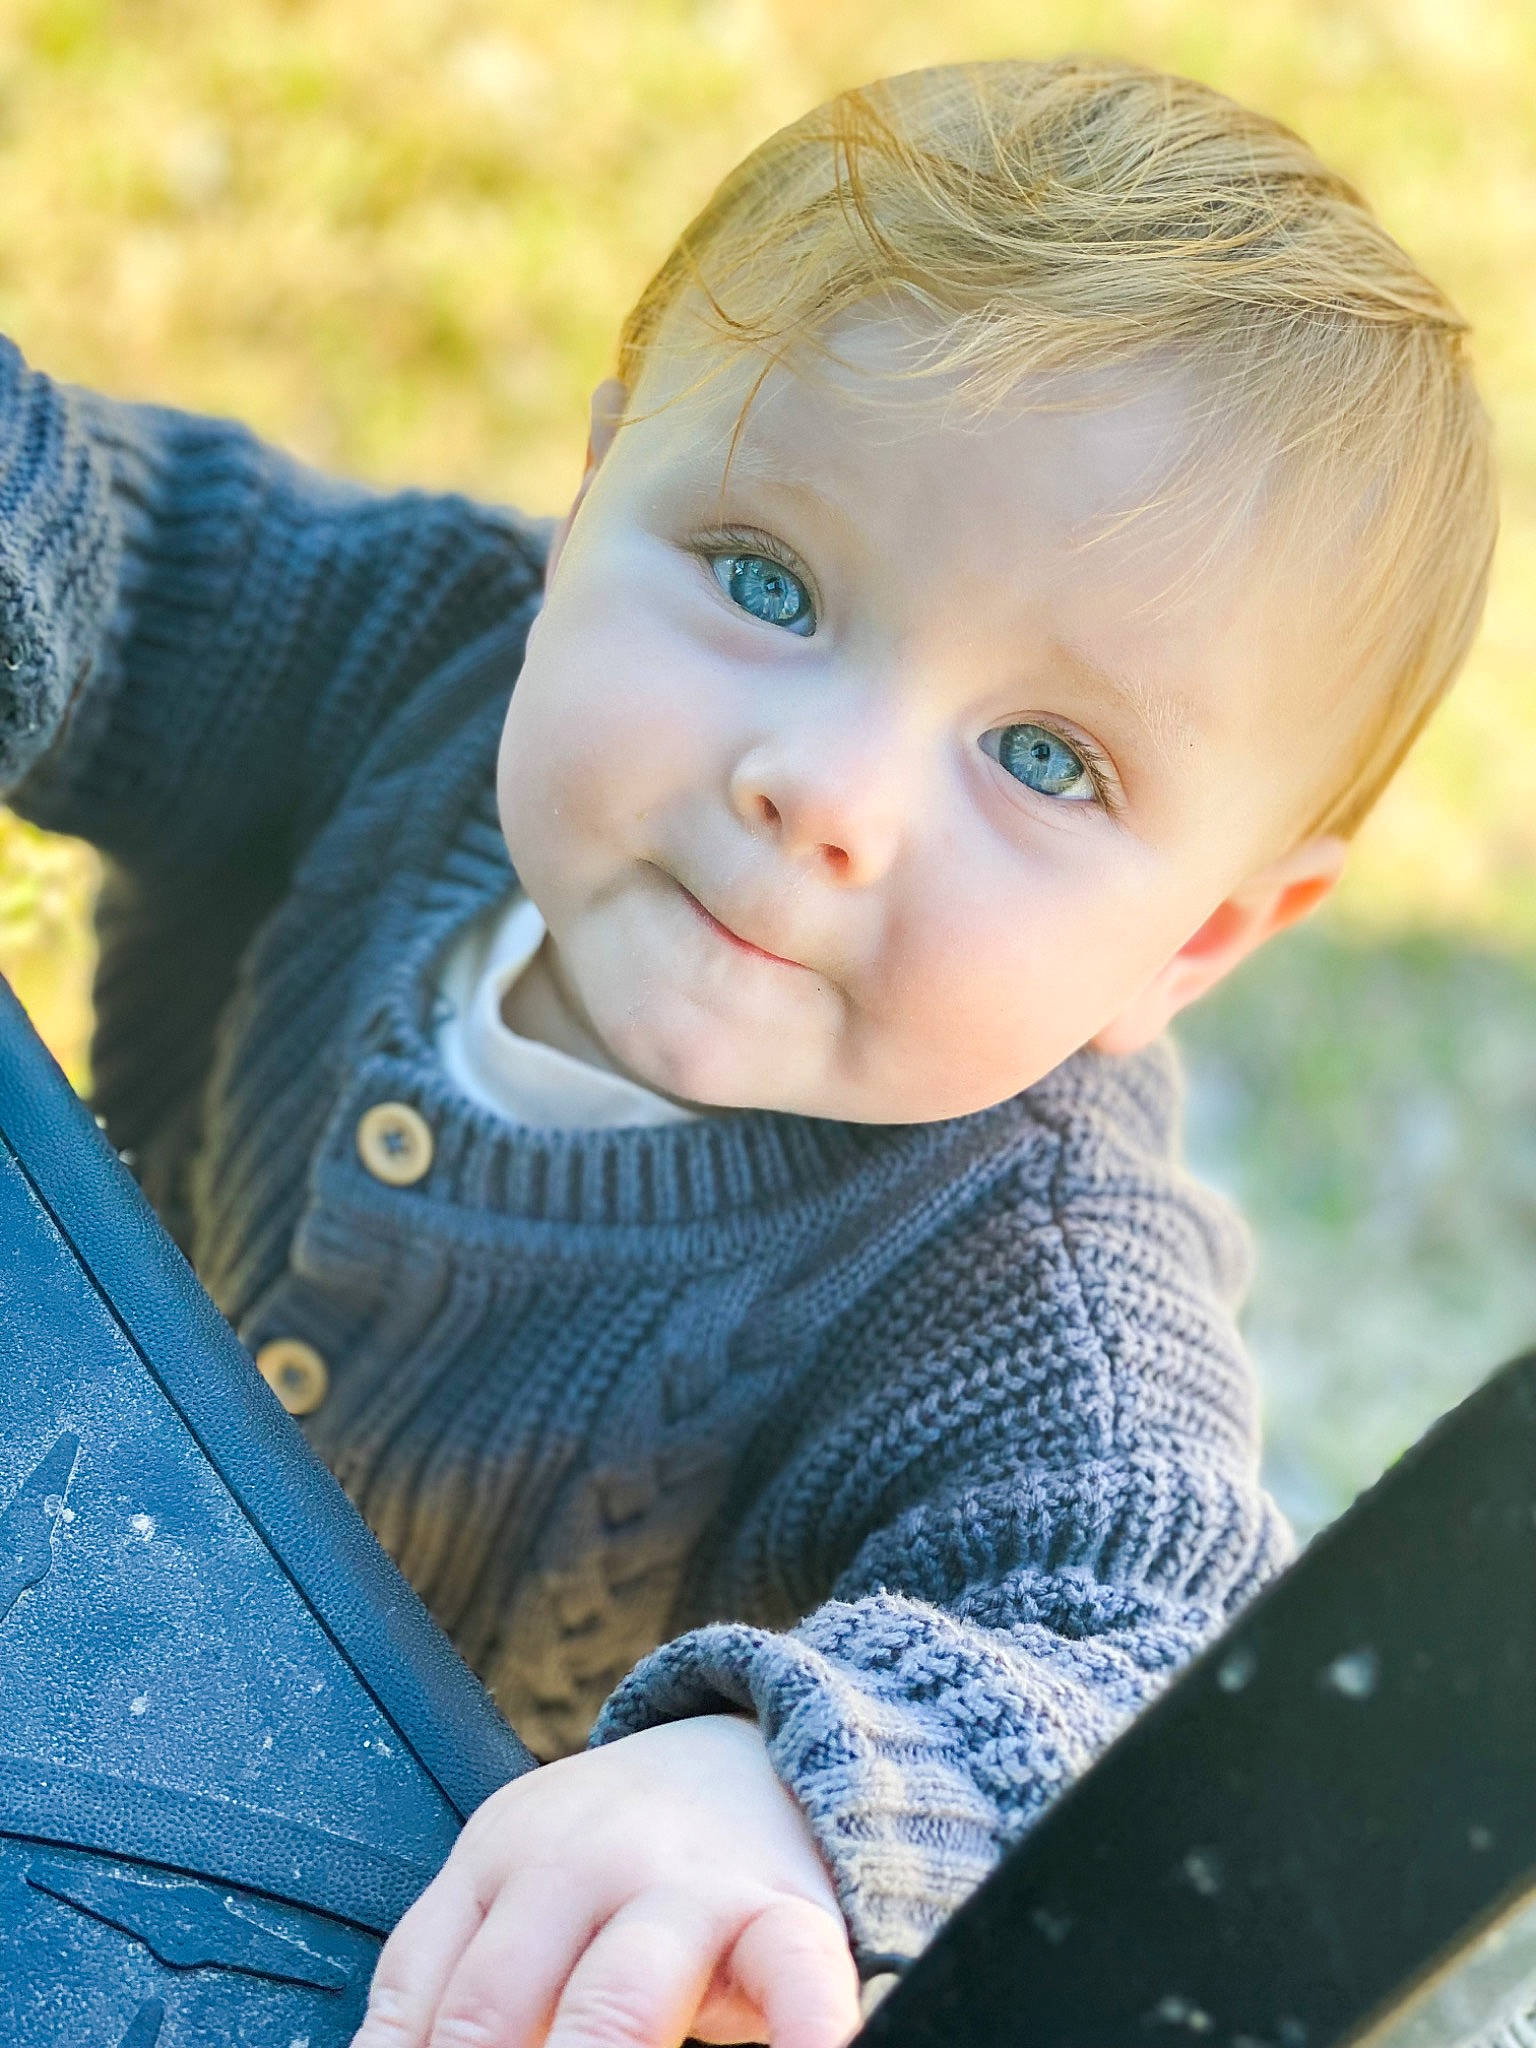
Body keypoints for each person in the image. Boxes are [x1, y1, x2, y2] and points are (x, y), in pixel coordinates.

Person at [0, 52, 1495, 2048]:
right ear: (595, 488)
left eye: (1043, 758)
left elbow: (1163, 1682)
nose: (828, 789)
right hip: (73, 1603)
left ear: (1204, 937)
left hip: (405, 1957)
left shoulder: (1020, 1290)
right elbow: (96, 543)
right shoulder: (418, 659)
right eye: (769, 582)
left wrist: (786, 1777)